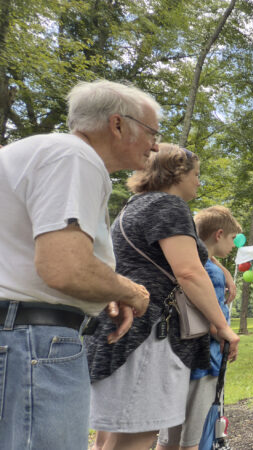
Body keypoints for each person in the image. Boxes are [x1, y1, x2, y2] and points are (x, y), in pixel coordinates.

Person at [0, 80, 155, 449]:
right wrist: (131, 291)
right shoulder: (76, 157)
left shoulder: (32, 152)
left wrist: (102, 292)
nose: (156, 144)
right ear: (117, 125)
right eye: (152, 131)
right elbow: (64, 267)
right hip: (34, 343)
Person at [85, 143, 240, 450]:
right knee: (138, 434)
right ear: (176, 172)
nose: (199, 181)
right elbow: (189, 272)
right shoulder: (169, 206)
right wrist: (222, 326)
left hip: (120, 328)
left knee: (111, 436)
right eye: (196, 174)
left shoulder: (135, 205)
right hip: (148, 334)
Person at [157, 206, 242, 449]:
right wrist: (227, 335)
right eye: (232, 238)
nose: (233, 245)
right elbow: (210, 320)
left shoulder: (188, 261)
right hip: (204, 360)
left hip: (177, 357)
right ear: (218, 234)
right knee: (192, 439)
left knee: (168, 437)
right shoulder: (211, 274)